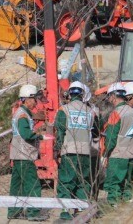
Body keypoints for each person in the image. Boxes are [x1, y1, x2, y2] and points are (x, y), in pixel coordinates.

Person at [55, 81, 99, 220]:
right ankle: (82, 210)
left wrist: (58, 151)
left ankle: (66, 212)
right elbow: (97, 131)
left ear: (70, 94)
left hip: (70, 152)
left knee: (67, 182)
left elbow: (60, 133)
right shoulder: (91, 112)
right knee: (83, 182)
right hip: (85, 153)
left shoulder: (64, 110)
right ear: (83, 95)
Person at [8, 84, 48, 221]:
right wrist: (41, 136)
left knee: (17, 185)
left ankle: (13, 211)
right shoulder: (23, 115)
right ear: (26, 99)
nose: (36, 102)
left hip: (18, 154)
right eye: (34, 99)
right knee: (32, 184)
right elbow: (26, 134)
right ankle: (34, 213)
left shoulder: (21, 113)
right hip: (24, 155)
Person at [101, 82, 133, 206]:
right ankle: (127, 206)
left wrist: (105, 153)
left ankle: (113, 207)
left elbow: (111, 136)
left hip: (118, 154)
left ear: (113, 96)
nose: (109, 99)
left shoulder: (116, 113)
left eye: (109, 96)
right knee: (127, 183)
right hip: (132, 152)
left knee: (114, 182)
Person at [82, 83, 101, 199]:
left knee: (86, 176)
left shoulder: (71, 108)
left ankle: (87, 200)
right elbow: (97, 130)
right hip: (91, 149)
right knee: (92, 176)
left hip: (84, 150)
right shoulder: (94, 110)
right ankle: (92, 200)